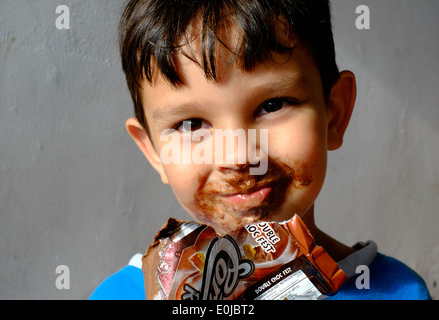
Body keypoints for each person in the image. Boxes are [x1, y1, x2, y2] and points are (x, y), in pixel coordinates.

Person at [90, 0, 431, 300]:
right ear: (153, 151)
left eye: (272, 105)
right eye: (192, 124)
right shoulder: (120, 297)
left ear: (334, 114)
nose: (238, 157)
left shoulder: (399, 292)